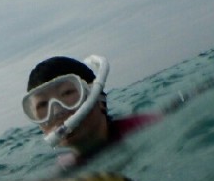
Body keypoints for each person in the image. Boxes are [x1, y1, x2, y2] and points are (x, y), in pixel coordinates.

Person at [22, 55, 160, 166]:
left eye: (67, 93)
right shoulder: (67, 166)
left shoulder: (146, 129)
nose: (58, 112)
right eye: (42, 105)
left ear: (99, 99)